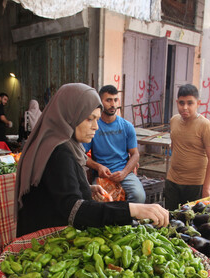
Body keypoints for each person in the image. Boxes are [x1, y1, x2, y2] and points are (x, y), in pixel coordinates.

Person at [15, 83, 168, 237]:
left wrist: (85, 188)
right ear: (70, 116)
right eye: (90, 119)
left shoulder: (57, 143)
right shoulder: (58, 152)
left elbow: (55, 189)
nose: (96, 127)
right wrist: (134, 210)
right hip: (43, 243)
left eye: (97, 119)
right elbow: (75, 211)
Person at [84, 85, 145, 203]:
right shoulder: (93, 127)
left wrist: (124, 172)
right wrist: (98, 167)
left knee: (139, 196)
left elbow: (135, 154)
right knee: (98, 201)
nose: (113, 104)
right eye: (108, 100)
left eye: (115, 100)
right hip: (102, 175)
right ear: (100, 102)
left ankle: (127, 219)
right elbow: (81, 155)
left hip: (124, 173)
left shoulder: (127, 126)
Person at [164, 84, 210, 211]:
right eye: (181, 103)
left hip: (195, 184)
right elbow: (175, 145)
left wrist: (206, 188)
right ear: (177, 102)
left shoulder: (205, 125)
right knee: (171, 219)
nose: (185, 107)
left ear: (198, 103)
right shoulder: (174, 120)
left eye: (190, 103)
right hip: (173, 181)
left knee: (191, 224)